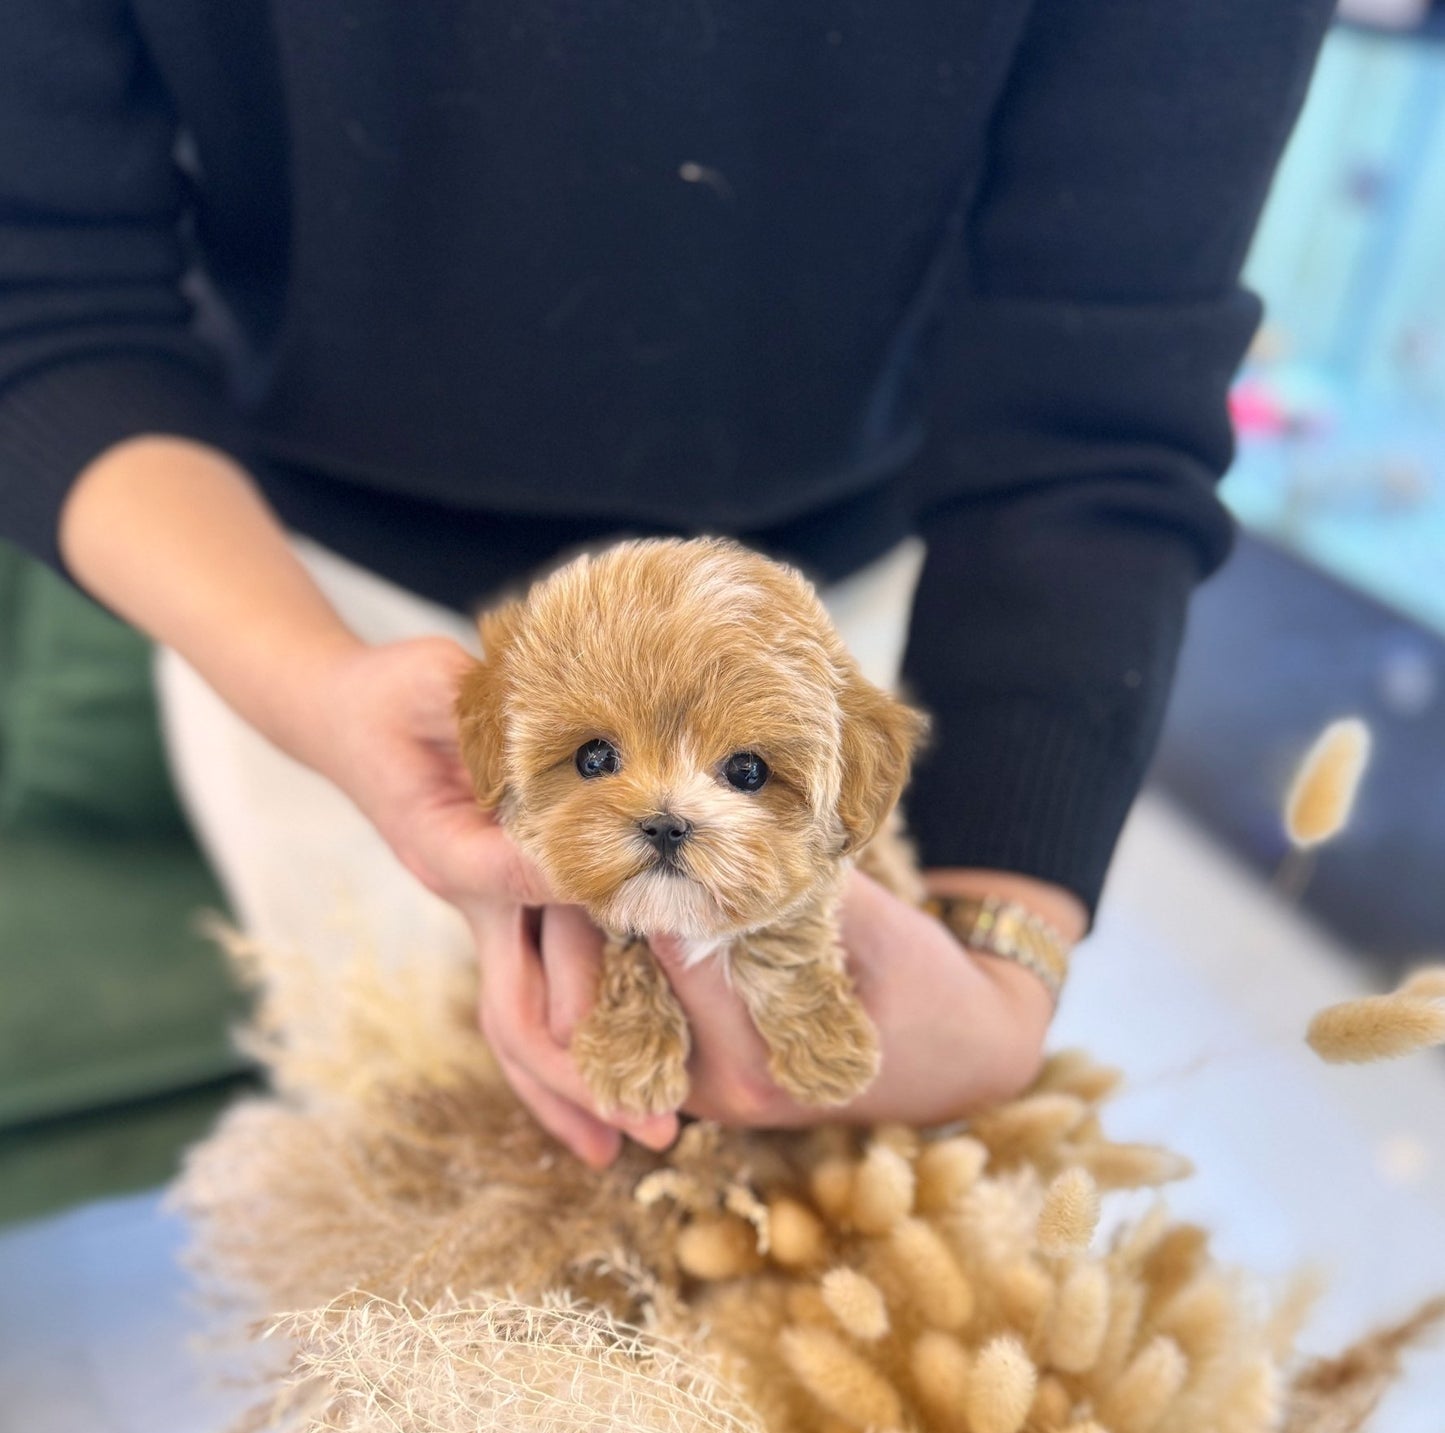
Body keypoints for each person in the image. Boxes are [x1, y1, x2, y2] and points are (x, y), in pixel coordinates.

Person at [0, 1, 1332, 1167]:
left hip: (833, 602)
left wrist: (1001, 945)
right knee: (395, 1180)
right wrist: (320, 683)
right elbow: (44, 302)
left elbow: (1097, 383)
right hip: (302, 599)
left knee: (794, 1259)